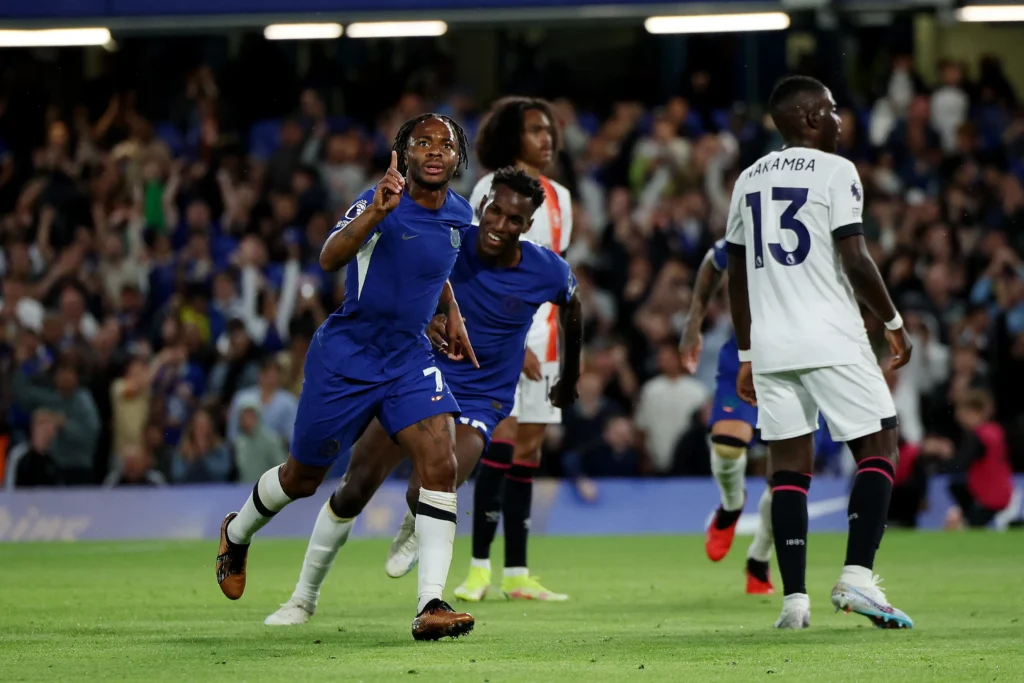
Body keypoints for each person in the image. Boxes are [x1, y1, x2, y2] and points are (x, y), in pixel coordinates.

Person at [262, 167, 582, 625]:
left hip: (482, 399)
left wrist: (569, 374)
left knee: (435, 483)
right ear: (483, 207)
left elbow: (574, 307)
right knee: (352, 491)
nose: (500, 225)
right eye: (495, 212)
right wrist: (432, 316)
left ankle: (419, 542)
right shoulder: (452, 239)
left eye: (515, 220)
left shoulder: (545, 268)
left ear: (527, 226)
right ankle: (302, 597)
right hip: (417, 378)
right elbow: (410, 280)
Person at [214, 114, 480, 641]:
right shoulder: (378, 199)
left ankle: (431, 603)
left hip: (407, 357)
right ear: (402, 153)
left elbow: (437, 267)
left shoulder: (459, 213)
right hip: (346, 356)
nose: (433, 151)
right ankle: (237, 531)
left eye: (443, 144)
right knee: (302, 478)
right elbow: (331, 255)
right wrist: (374, 214)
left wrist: (451, 310)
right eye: (421, 142)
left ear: (457, 158)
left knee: (441, 462)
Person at [725, 75, 914, 630]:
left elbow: (735, 271)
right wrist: (894, 322)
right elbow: (855, 259)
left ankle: (794, 603)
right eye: (831, 110)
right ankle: (857, 578)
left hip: (773, 345)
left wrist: (745, 352)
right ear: (809, 118)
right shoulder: (837, 171)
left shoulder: (747, 179)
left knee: (788, 468)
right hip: (831, 335)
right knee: (880, 444)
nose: (840, 118)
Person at [453, 96, 575, 602]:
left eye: (549, 130)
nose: (546, 138)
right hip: (501, 339)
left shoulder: (562, 197)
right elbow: (482, 271)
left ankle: (518, 573)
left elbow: (552, 277)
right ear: (511, 136)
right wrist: (510, 344)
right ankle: (478, 568)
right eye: (534, 130)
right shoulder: (490, 188)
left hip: (545, 339)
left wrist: (561, 355)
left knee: (528, 451)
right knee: (495, 443)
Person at [680, 239, 775, 595]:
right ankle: (732, 504)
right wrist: (693, 322)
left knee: (785, 476)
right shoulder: (753, 212)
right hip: (745, 350)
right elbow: (711, 261)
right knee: (727, 447)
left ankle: (759, 557)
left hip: (799, 354)